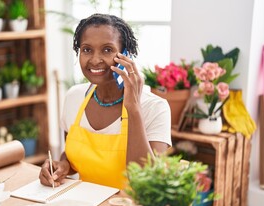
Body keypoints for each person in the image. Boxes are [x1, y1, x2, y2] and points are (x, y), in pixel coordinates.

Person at [39, 13, 171, 189]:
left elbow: (146, 181)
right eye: (86, 49)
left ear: (126, 56)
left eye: (107, 50)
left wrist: (133, 109)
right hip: (85, 205)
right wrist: (63, 166)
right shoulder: (74, 97)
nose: (94, 60)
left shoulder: (155, 108)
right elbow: (71, 157)